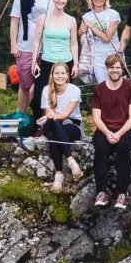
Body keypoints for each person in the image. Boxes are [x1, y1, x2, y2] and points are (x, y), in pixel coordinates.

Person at [89, 52, 131, 210]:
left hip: (126, 129)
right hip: (105, 128)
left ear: (123, 70)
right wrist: (107, 133)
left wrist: (118, 134)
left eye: (118, 68)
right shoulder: (99, 89)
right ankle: (101, 192)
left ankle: (122, 193)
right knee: (100, 148)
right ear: (107, 68)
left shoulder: (130, 87)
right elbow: (96, 118)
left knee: (123, 147)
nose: (115, 71)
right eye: (112, 68)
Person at [35, 63, 84, 192]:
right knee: (54, 124)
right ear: (52, 75)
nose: (60, 76)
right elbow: (49, 112)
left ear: (67, 75)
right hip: (52, 122)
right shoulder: (47, 89)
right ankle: (71, 160)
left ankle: (59, 174)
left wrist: (54, 116)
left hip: (71, 124)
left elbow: (66, 114)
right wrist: (52, 116)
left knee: (53, 134)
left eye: (63, 73)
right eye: (57, 73)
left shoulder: (75, 90)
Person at [9, 0, 52, 114]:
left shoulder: (50, 0)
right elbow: (14, 22)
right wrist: (13, 45)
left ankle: (39, 117)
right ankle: (20, 115)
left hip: (45, 49)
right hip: (25, 47)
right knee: (24, 85)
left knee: (43, 86)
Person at [30, 0, 78, 110]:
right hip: (47, 61)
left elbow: (74, 44)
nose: (60, 1)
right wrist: (34, 62)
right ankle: (40, 125)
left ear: (66, 0)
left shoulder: (71, 20)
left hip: (66, 62)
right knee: (40, 95)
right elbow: (37, 42)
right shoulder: (43, 19)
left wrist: (76, 64)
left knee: (64, 96)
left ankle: (64, 122)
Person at [79, 0, 122, 87]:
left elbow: (107, 38)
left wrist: (92, 27)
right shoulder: (86, 16)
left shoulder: (113, 14)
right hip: (97, 58)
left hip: (114, 56)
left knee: (119, 87)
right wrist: (81, 30)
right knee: (103, 87)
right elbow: (79, 34)